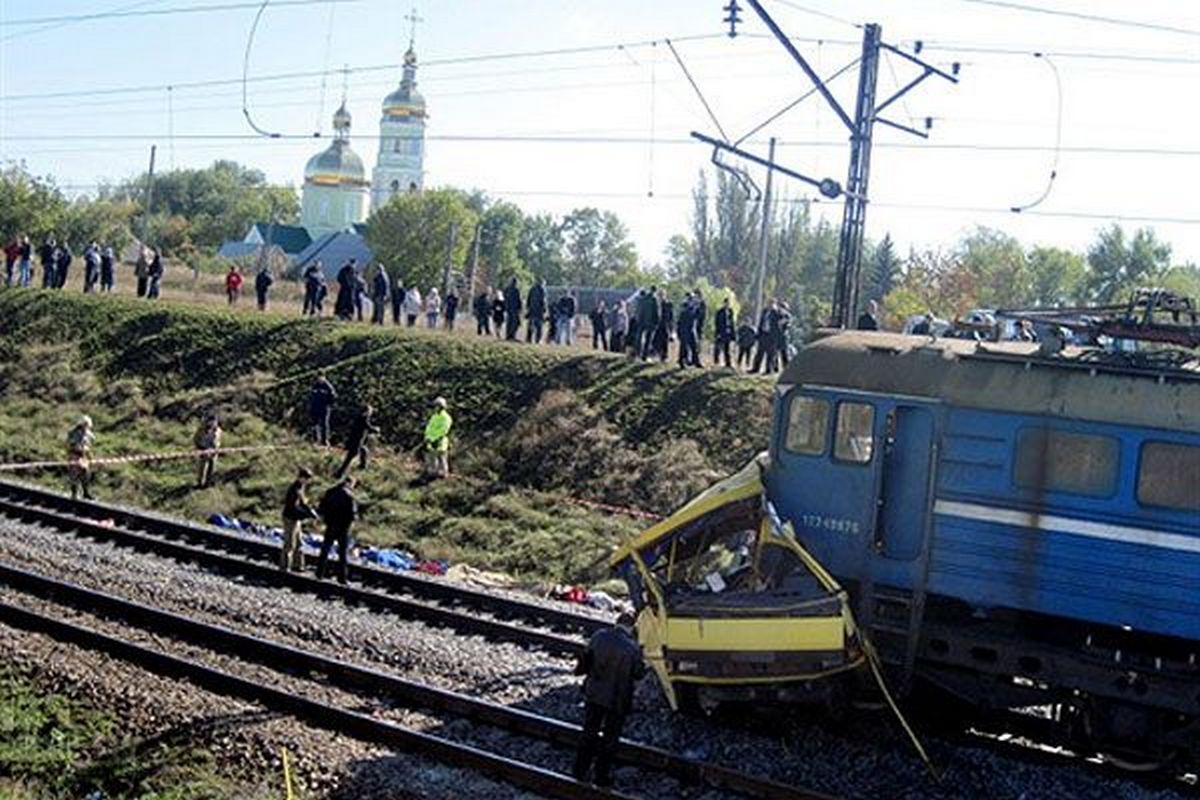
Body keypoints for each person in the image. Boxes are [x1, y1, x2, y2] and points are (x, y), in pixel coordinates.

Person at [573, 612, 645, 788]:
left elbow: (586, 660)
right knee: (609, 739)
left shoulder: (599, 636)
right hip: (617, 699)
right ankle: (601, 776)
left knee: (589, 732)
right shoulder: (632, 648)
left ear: (617, 623)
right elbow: (638, 674)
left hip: (594, 694)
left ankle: (580, 771)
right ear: (631, 627)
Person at [315, 476, 357, 584]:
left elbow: (321, 507)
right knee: (342, 554)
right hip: (343, 529)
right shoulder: (349, 496)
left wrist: (326, 519)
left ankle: (319, 573)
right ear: (350, 483)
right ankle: (342, 578)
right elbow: (353, 515)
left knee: (325, 550)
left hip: (331, 525)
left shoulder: (330, 492)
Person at [281, 467, 317, 572]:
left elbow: (302, 503)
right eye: (306, 478)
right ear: (301, 477)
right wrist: (306, 514)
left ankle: (298, 565)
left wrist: (309, 511)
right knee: (289, 543)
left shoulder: (301, 487)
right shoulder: (294, 490)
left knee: (299, 543)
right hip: (290, 518)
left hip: (296, 519)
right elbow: (293, 507)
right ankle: (285, 566)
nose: (308, 481)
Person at [336, 403, 378, 479]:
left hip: (356, 441)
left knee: (364, 450)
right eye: (370, 412)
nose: (370, 413)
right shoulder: (363, 418)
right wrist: (376, 429)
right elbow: (368, 427)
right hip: (356, 441)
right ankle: (339, 473)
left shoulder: (360, 417)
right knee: (350, 458)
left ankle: (362, 466)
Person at [66, 415, 96, 500]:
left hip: (84, 456)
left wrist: (90, 457)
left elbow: (89, 445)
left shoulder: (88, 434)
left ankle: (86, 492)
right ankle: (74, 494)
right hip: (75, 455)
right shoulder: (74, 433)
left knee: (86, 474)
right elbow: (71, 445)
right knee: (74, 475)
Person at [423, 396, 453, 479]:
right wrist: (427, 437)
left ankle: (444, 474)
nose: (435, 408)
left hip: (440, 441)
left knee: (442, 458)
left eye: (436, 406)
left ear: (441, 407)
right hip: (430, 441)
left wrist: (435, 439)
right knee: (431, 457)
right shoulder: (434, 416)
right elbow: (429, 427)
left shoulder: (446, 418)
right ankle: (432, 473)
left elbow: (444, 430)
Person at [751, 300, 781, 374]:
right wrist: (758, 333)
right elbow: (761, 323)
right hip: (763, 334)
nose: (770, 305)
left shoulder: (776, 313)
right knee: (759, 353)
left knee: (770, 354)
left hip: (771, 336)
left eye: (772, 304)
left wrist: (777, 309)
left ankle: (768, 369)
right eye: (769, 303)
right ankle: (755, 368)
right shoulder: (764, 311)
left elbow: (783, 317)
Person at [193, 413, 221, 489]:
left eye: (214, 422)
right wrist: (200, 449)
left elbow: (217, 441)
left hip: (213, 451)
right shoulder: (201, 430)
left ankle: (208, 483)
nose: (212, 423)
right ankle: (199, 484)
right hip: (203, 450)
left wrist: (215, 449)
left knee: (212, 468)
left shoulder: (218, 430)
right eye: (211, 421)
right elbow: (196, 440)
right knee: (202, 468)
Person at [309, 373, 337, 445]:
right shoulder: (315, 385)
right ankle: (316, 439)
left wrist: (329, 405)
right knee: (315, 423)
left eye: (321, 377)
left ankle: (325, 440)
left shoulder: (328, 386)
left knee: (324, 424)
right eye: (318, 378)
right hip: (315, 407)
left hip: (325, 408)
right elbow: (311, 396)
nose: (320, 379)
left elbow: (333, 396)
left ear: (324, 377)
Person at [636, 287, 660, 359]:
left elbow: (639, 310)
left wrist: (639, 319)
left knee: (639, 338)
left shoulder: (643, 298)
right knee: (648, 339)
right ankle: (644, 356)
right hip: (651, 322)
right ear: (655, 291)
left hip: (641, 321)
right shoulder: (654, 299)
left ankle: (638, 353)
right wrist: (657, 322)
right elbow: (657, 312)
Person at [676, 294, 698, 368]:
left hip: (691, 329)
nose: (692, 301)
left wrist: (695, 308)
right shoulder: (684, 306)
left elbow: (696, 316)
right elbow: (681, 317)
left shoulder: (693, 307)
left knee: (694, 346)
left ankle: (696, 362)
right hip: (684, 329)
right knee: (683, 346)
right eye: (690, 299)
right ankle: (681, 361)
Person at [713, 297, 735, 368]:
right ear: (724, 303)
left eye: (728, 303)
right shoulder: (719, 312)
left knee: (727, 349)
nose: (727, 305)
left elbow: (732, 323)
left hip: (727, 333)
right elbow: (717, 323)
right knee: (718, 348)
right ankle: (716, 361)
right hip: (721, 332)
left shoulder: (730, 311)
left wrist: (733, 334)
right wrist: (717, 332)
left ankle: (728, 363)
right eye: (726, 303)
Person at [653, 295, 673, 362]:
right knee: (658, 341)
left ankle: (663, 356)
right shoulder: (657, 304)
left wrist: (670, 327)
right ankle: (660, 355)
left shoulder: (667, 305)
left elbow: (669, 317)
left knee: (663, 341)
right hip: (659, 325)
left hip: (663, 325)